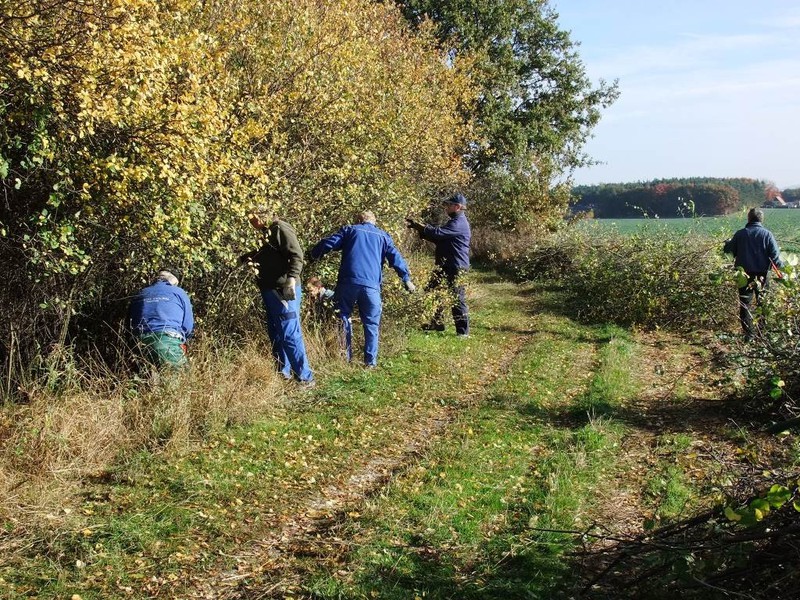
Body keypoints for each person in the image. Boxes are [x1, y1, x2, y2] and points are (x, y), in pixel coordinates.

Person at [309, 210, 415, 367]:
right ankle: (370, 363)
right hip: (371, 286)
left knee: (343, 317)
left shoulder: (350, 230)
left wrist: (312, 255)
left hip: (348, 283)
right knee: (371, 324)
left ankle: (345, 357)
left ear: (358, 220)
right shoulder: (383, 236)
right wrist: (406, 278)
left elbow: (329, 243)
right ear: (374, 221)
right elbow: (395, 258)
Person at [240, 206, 315, 386]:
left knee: (289, 333)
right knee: (276, 333)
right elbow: (264, 255)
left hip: (282, 291)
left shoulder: (280, 228)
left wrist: (291, 279)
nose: (251, 222)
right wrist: (244, 259)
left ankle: (305, 378)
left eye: (252, 218)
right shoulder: (266, 233)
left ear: (262, 216)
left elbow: (297, 255)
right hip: (269, 290)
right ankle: (284, 375)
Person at [406, 193, 471, 337]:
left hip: (456, 266)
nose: (446, 207)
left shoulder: (459, 223)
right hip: (445, 266)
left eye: (449, 205)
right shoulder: (454, 222)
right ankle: (437, 323)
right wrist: (420, 229)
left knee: (456, 298)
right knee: (433, 292)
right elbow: (440, 239)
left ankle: (463, 333)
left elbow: (439, 233)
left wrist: (423, 227)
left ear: (457, 206)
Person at [723, 207, 784, 341]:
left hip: (743, 275)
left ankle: (749, 335)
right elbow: (775, 258)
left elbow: (729, 253)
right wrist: (784, 270)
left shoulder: (740, 234)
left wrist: (727, 243)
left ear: (749, 218)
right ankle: (763, 334)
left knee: (745, 304)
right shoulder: (767, 235)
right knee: (763, 304)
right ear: (761, 219)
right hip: (763, 275)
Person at [129, 270, 194, 367]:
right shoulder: (179, 292)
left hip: (138, 344)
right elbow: (187, 326)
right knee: (181, 375)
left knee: (143, 376)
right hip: (167, 342)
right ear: (174, 281)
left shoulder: (140, 293)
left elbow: (128, 324)